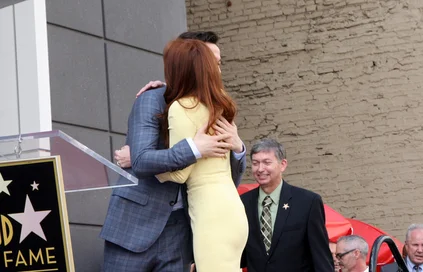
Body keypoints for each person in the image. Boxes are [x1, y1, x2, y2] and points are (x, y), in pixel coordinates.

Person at [101, 31, 247, 272]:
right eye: (210, 61)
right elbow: (142, 160)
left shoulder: (215, 108)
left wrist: (238, 148)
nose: (216, 70)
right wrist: (194, 149)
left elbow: (227, 180)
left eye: (218, 63)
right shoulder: (153, 98)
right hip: (135, 224)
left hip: (182, 230)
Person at [154, 38, 248, 271]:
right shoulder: (218, 106)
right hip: (232, 209)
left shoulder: (181, 107)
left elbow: (179, 175)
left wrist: (142, 164)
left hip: (210, 214)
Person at [240, 138, 334, 272]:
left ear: (282, 164)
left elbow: (321, 257)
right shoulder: (242, 203)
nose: (260, 169)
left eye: (267, 162)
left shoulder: (307, 202)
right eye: (255, 163)